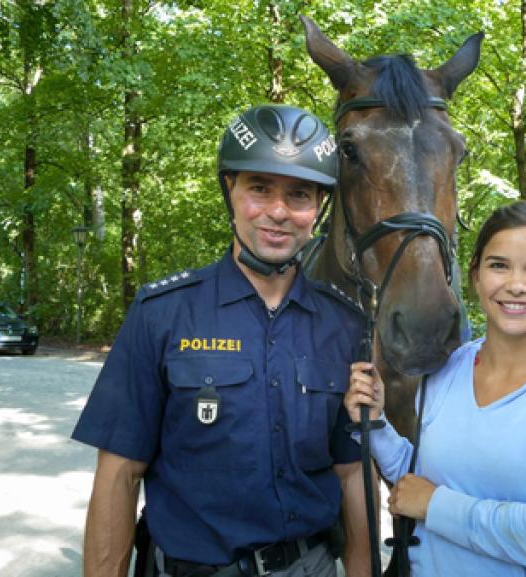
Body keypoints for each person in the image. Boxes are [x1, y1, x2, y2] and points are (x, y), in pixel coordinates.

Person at [72, 104, 370, 577]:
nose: (278, 211)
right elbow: (118, 475)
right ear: (229, 190)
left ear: (319, 208)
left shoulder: (346, 324)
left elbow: (353, 474)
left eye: (298, 195)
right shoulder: (162, 313)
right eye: (259, 188)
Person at [345, 199, 526, 577]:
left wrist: (435, 506)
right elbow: (418, 477)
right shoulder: (447, 368)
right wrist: (376, 421)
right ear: (476, 274)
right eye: (499, 265)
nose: (516, 285)